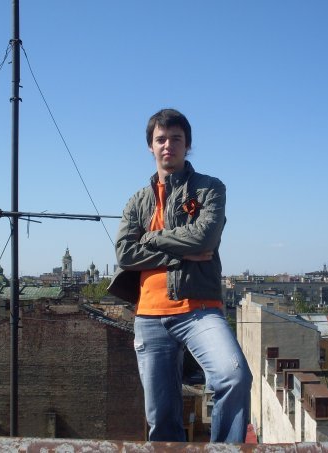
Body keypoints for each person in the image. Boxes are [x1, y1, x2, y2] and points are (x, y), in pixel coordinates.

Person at [108, 108, 252, 443]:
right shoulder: (138, 201)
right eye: (161, 139)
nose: (168, 145)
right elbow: (124, 253)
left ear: (187, 145)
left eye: (176, 139)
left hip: (199, 310)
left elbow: (204, 239)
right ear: (151, 146)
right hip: (149, 315)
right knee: (161, 418)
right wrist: (180, 251)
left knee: (234, 377)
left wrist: (151, 238)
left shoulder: (209, 188)